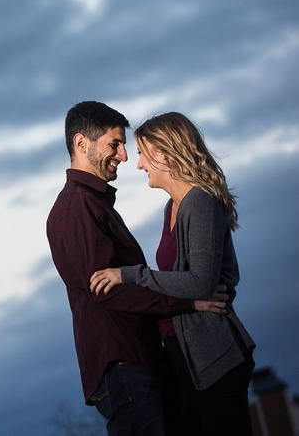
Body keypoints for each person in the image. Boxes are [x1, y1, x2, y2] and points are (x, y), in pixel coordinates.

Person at [47, 101, 227, 436]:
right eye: (114, 144)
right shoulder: (77, 207)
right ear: (81, 144)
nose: (124, 156)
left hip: (137, 360)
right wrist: (188, 302)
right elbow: (107, 290)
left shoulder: (93, 204)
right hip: (123, 363)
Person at [90, 112, 255, 436]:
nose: (137, 165)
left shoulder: (201, 203)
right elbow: (189, 287)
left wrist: (129, 275)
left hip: (214, 353)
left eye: (141, 153)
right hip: (182, 354)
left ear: (163, 153)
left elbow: (200, 282)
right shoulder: (172, 208)